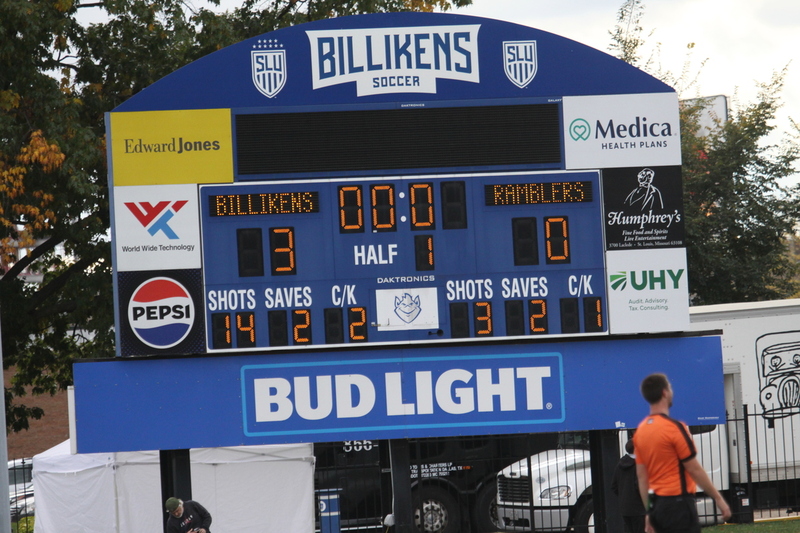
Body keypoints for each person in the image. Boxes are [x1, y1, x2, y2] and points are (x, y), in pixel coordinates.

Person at [633, 373, 731, 533]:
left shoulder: (641, 431)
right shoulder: (675, 428)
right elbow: (694, 469)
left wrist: (649, 512)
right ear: (665, 392)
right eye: (670, 387)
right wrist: (718, 499)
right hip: (679, 505)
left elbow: (642, 477)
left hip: (657, 506)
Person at [611, 439, 645, 533]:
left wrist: (624, 496)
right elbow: (640, 486)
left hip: (625, 508)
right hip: (640, 509)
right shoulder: (639, 465)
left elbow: (614, 486)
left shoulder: (620, 464)